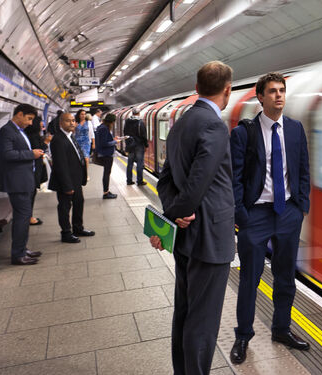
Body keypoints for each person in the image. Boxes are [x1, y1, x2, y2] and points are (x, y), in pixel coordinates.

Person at [150, 61, 235, 375]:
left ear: (197, 88)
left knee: (184, 314)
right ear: (227, 90)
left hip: (187, 240)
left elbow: (165, 179)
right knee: (203, 321)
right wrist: (174, 215)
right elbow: (199, 183)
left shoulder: (181, 123)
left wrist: (172, 215)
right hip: (209, 238)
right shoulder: (214, 125)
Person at [229, 72, 311, 364]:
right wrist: (242, 215)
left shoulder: (294, 129)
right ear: (260, 97)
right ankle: (242, 336)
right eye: (273, 91)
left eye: (282, 90)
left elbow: (302, 169)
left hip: (288, 212)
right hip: (256, 215)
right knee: (250, 279)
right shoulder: (244, 133)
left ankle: (281, 329)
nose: (279, 95)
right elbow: (234, 178)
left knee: (286, 277)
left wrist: (302, 207)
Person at [0, 103, 44, 265]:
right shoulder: (6, 131)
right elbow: (7, 154)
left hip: (24, 180)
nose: (30, 123)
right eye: (29, 119)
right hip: (17, 182)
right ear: (19, 114)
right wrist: (32, 154)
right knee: (22, 218)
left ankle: (22, 249)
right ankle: (18, 255)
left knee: (22, 217)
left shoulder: (18, 131)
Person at [48, 113, 95, 243]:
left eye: (73, 121)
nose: (72, 123)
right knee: (64, 207)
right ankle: (66, 233)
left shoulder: (70, 136)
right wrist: (67, 186)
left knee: (79, 203)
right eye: (68, 121)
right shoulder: (58, 140)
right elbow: (60, 165)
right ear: (61, 123)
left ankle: (78, 228)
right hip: (66, 182)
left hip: (76, 180)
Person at [24, 114, 52, 226]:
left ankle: (29, 216)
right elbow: (39, 151)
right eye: (40, 121)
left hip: (34, 168)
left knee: (32, 192)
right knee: (31, 193)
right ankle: (29, 217)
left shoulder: (31, 134)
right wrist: (46, 142)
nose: (42, 124)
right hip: (33, 168)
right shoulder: (33, 136)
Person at [95, 113, 118, 199]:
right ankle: (106, 193)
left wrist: (113, 139)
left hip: (104, 153)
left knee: (107, 173)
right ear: (111, 122)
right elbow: (104, 143)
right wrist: (115, 142)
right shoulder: (104, 129)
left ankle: (106, 191)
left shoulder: (101, 127)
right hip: (106, 154)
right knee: (106, 173)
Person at [124, 108, 148, 186]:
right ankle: (139, 181)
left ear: (132, 113)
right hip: (139, 145)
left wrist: (127, 143)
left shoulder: (127, 121)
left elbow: (125, 133)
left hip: (130, 145)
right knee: (139, 163)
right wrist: (146, 145)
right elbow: (143, 135)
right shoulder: (140, 122)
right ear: (139, 113)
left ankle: (129, 180)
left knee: (130, 163)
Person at [74, 109, 93, 176]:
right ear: (79, 115)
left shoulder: (88, 122)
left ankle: (86, 174)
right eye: (82, 114)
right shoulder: (75, 122)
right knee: (77, 158)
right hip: (77, 141)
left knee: (86, 158)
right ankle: (78, 173)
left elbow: (91, 133)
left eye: (84, 114)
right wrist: (74, 127)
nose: (83, 115)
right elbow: (72, 133)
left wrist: (93, 143)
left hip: (86, 142)